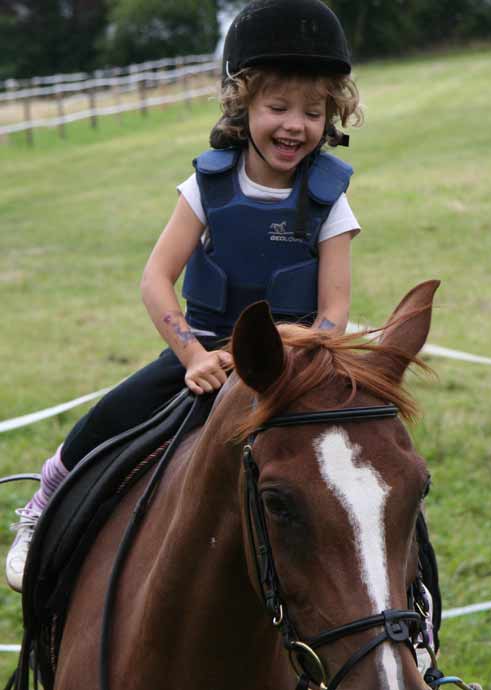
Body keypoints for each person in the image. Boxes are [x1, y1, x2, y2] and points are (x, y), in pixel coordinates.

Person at [6, 0, 362, 594]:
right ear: (242, 103)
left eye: (313, 110)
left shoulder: (331, 202)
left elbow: (334, 312)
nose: (294, 124)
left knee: (373, 456)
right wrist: (194, 355)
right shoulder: (205, 186)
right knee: (114, 413)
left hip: (292, 361)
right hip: (204, 349)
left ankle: (411, 592)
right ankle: (45, 498)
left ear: (332, 116)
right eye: (277, 106)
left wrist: (297, 363)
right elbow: (155, 279)